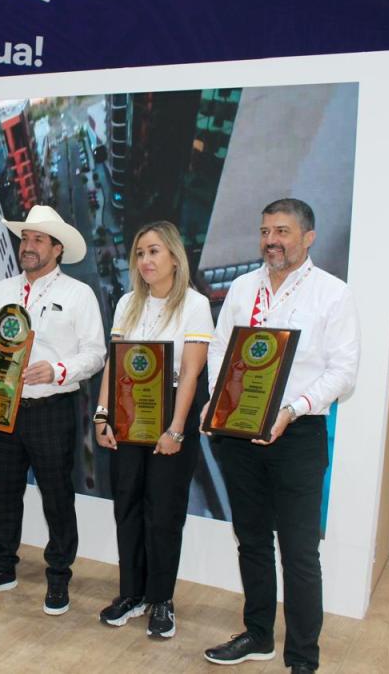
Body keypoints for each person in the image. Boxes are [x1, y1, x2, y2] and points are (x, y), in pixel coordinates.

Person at [202, 199, 360, 673]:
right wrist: (217, 397)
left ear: (308, 237)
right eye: (265, 231)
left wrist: (293, 409)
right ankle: (257, 635)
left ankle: (303, 658)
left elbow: (344, 372)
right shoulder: (242, 288)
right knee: (251, 540)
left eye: (282, 231)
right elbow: (220, 348)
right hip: (239, 433)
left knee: (298, 552)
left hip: (297, 435)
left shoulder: (333, 294)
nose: (271, 240)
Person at [0, 205, 105, 616]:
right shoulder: (0, 291)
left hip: (52, 407)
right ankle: (2, 565)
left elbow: (95, 353)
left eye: (38, 239)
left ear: (57, 249)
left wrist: (58, 370)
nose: (27, 246)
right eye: (25, 238)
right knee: (3, 491)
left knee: (57, 495)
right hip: (2, 405)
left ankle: (58, 575)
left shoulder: (78, 294)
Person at [93, 222, 214, 639]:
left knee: (163, 512)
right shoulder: (128, 302)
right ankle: (132, 593)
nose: (146, 260)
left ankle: (161, 599)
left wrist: (176, 430)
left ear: (175, 257)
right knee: (127, 505)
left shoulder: (195, 305)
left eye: (154, 251)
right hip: (127, 413)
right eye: (140, 253)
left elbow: (192, 373)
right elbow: (113, 362)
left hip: (171, 415)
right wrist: (102, 414)